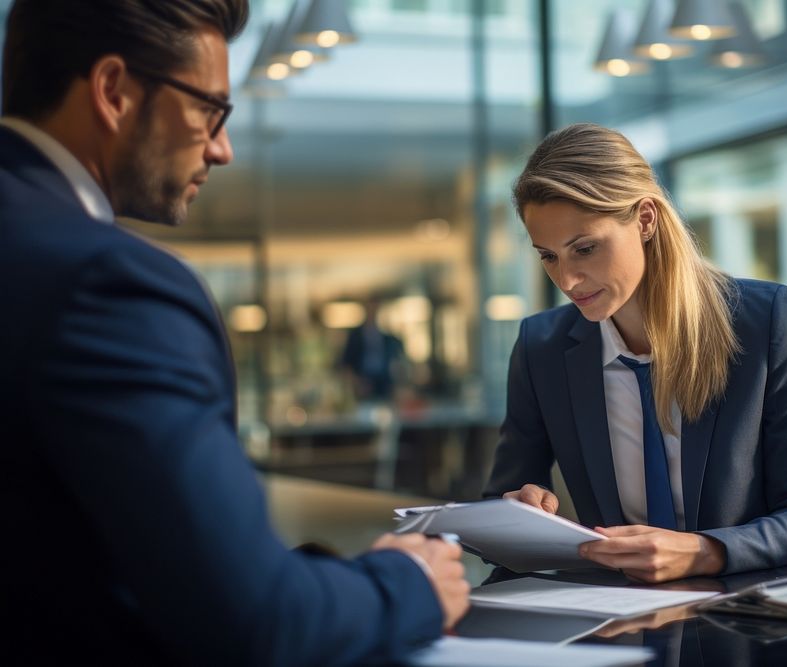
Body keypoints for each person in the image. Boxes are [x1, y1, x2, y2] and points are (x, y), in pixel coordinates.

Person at [0, 1, 467, 664]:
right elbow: (257, 623)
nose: (222, 148)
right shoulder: (108, 283)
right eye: (209, 110)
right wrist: (409, 580)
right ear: (112, 91)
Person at [484, 123, 787, 583]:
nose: (567, 280)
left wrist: (704, 552)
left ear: (646, 219)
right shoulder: (542, 347)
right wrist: (515, 514)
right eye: (548, 256)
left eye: (585, 249)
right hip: (617, 619)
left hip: (742, 619)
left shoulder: (764, 320)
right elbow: (498, 508)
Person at [339, 297, 407, 401]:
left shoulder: (385, 335)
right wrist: (357, 383)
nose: (373, 311)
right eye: (370, 308)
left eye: (375, 308)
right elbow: (346, 364)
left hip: (383, 382)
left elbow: (395, 361)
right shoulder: (355, 336)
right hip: (363, 381)